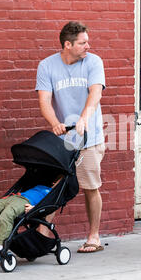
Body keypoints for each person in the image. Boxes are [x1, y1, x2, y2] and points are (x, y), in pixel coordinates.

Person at [35, 21, 106, 253]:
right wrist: (55, 123)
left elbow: (95, 93)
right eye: (83, 42)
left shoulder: (93, 62)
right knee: (55, 185)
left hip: (89, 137)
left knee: (90, 186)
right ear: (68, 44)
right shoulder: (47, 66)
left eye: (87, 41)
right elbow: (45, 100)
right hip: (63, 139)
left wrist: (84, 118)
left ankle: (94, 236)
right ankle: (42, 235)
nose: (88, 45)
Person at [0, 175, 63, 267]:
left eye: (59, 183)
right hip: (12, 197)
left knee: (6, 216)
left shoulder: (52, 195)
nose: (56, 184)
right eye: (56, 181)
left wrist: (34, 208)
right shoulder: (40, 186)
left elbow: (47, 207)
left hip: (25, 202)